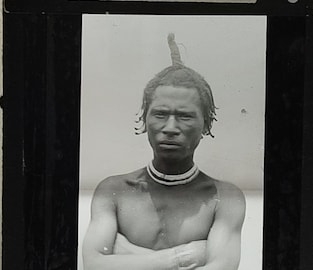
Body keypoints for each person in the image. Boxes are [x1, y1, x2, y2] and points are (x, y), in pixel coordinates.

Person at [82, 34, 246, 270]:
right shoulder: (113, 191)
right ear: (144, 119)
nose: (170, 128)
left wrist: (127, 255)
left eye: (185, 116)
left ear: (206, 125)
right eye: (160, 114)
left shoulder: (225, 197)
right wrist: (180, 257)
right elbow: (94, 265)